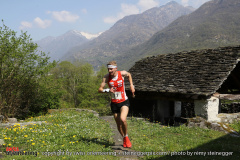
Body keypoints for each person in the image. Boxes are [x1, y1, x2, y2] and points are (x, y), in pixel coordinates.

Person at [98, 61, 135, 148]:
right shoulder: (106, 77)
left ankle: (126, 137)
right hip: (114, 103)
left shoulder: (121, 74)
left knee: (123, 119)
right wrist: (107, 90)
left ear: (115, 68)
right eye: (108, 69)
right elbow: (100, 89)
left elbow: (129, 74)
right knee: (118, 124)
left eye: (111, 69)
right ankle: (124, 138)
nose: (109, 71)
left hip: (123, 101)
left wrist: (131, 85)